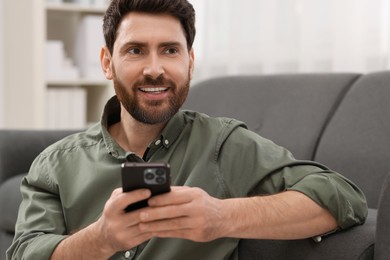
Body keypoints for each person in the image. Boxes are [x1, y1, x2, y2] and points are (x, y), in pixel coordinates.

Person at [7, 0, 367, 259]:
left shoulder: (223, 145)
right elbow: (25, 252)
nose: (154, 69)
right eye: (135, 50)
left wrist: (221, 217)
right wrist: (101, 239)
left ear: (190, 63)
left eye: (170, 50)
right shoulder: (55, 165)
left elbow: (341, 196)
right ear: (107, 62)